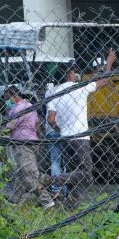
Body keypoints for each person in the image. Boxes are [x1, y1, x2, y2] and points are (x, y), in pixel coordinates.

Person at [45, 63, 97, 194]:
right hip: (80, 136)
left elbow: (50, 119)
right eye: (74, 72)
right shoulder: (79, 88)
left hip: (65, 137)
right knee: (86, 172)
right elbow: (103, 81)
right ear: (69, 74)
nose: (75, 75)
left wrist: (61, 129)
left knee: (72, 171)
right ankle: (50, 181)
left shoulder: (54, 92)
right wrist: (109, 64)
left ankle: (71, 205)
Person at [0, 86, 53, 208]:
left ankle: (46, 200)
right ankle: (14, 199)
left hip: (23, 143)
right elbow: (37, 124)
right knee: (21, 172)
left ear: (14, 96)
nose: (7, 102)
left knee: (30, 174)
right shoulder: (30, 106)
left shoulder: (19, 108)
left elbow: (9, 127)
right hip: (32, 141)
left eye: (7, 99)